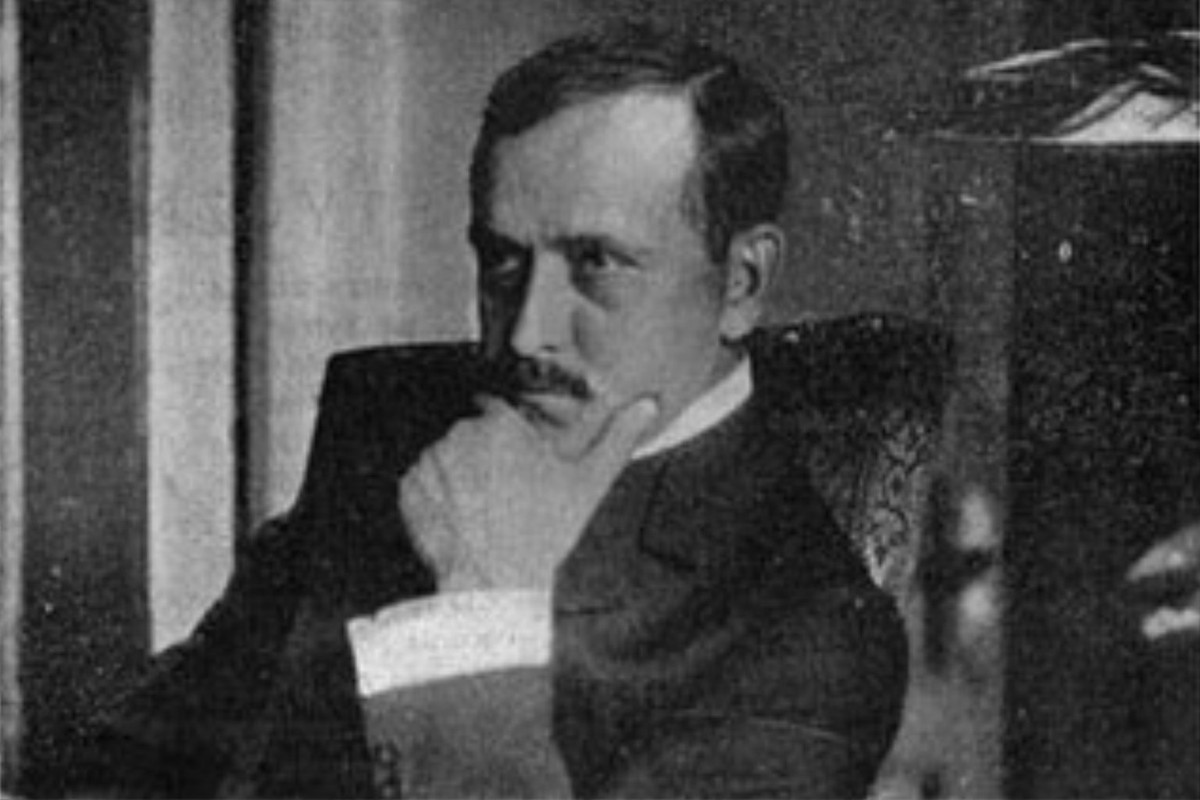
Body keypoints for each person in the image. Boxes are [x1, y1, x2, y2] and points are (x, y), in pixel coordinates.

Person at [80, 25, 907, 798]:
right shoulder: (393, 422)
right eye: (503, 261)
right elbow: (132, 759)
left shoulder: (816, 630)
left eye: (597, 261)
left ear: (743, 283)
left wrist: (481, 605)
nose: (525, 333)